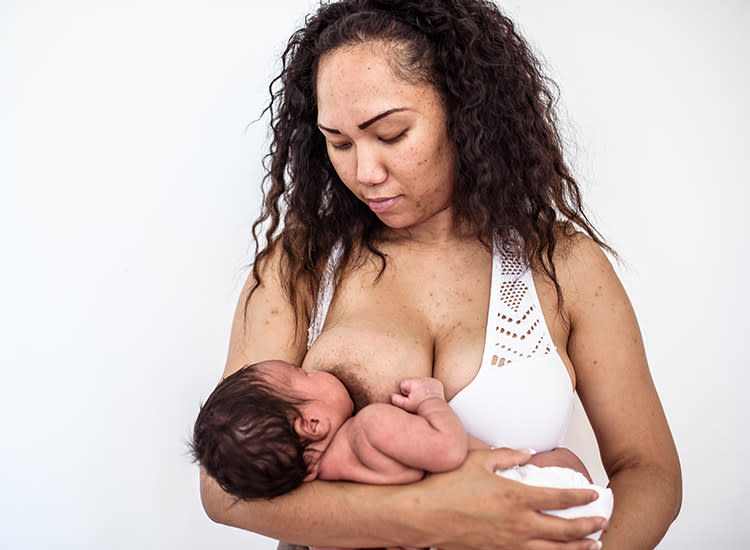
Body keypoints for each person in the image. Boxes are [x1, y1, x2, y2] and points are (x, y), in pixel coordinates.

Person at [199, 1, 682, 548]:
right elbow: (223, 491)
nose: (365, 172)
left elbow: (650, 472)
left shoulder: (563, 265)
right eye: (338, 143)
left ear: (466, 110)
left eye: (391, 134)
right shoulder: (301, 265)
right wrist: (431, 515)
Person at [192, 361, 612, 543]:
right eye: (302, 373)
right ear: (312, 424)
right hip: (510, 494)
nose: (312, 368)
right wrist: (432, 401)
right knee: (566, 465)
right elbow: (447, 450)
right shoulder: (370, 427)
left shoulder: (326, 499)